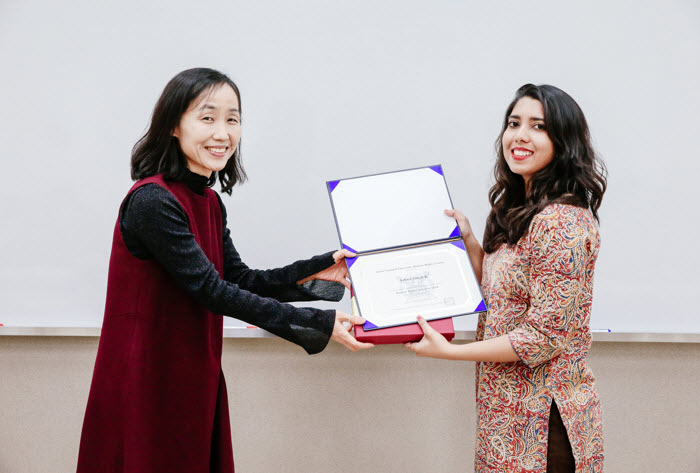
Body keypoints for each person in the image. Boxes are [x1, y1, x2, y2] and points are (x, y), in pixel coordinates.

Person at [76, 67, 373, 473]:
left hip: (192, 374)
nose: (223, 132)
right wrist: (316, 322)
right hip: (147, 379)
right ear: (173, 126)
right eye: (207, 117)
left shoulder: (210, 203)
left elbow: (241, 280)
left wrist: (320, 269)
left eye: (232, 119)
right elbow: (212, 291)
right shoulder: (153, 200)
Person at [404, 84, 607, 473]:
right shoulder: (516, 209)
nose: (520, 135)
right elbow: (502, 297)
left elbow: (543, 337)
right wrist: (467, 241)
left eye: (538, 126)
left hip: (544, 420)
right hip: (503, 413)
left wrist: (450, 352)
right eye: (514, 123)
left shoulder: (561, 221)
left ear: (563, 142)